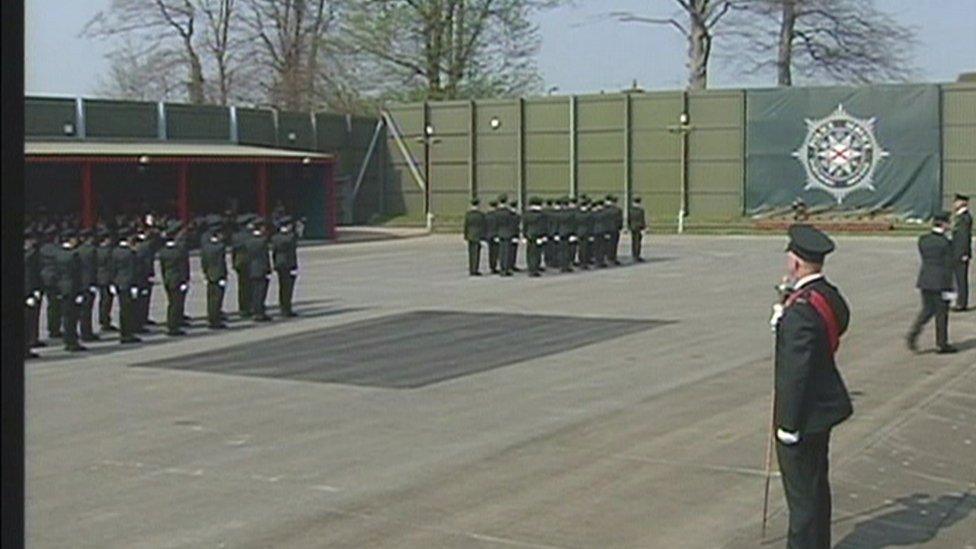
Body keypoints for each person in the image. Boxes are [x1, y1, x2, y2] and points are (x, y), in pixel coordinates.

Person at [772, 224, 852, 549]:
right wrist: (786, 315)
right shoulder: (827, 294)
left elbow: (795, 374)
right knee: (817, 486)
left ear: (795, 263)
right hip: (825, 407)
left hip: (803, 415)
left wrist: (787, 424)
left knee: (802, 498)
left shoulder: (801, 311)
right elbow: (840, 320)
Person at [907, 212, 958, 354]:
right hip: (941, 282)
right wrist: (951, 290)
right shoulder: (946, 243)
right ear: (943, 224)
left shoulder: (923, 239)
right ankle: (942, 344)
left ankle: (913, 334)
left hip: (925, 280)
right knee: (942, 314)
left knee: (927, 311)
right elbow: (949, 265)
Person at [55, 227, 86, 352]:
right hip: (73, 288)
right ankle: (72, 341)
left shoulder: (58, 254)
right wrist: (80, 291)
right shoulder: (74, 255)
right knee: (73, 316)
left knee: (66, 316)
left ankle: (67, 340)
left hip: (62, 288)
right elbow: (77, 274)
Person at [157, 221, 189, 336]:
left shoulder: (163, 252)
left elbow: (162, 268)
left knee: (171, 302)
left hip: (168, 279)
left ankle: (172, 324)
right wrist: (185, 280)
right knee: (176, 303)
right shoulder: (178, 251)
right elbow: (183, 267)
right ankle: (173, 326)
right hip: (177, 279)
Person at [112, 230, 141, 344]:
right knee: (129, 310)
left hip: (119, 283)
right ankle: (128, 334)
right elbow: (133, 270)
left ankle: (124, 332)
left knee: (123, 309)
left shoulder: (115, 252)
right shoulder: (130, 253)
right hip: (128, 283)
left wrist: (113, 283)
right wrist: (134, 285)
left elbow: (112, 268)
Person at [200, 217, 229, 329]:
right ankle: (215, 319)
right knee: (217, 298)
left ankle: (212, 316)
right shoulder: (220, 247)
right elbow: (221, 263)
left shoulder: (206, 246)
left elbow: (204, 262)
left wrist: (205, 272)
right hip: (218, 274)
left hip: (210, 274)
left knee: (211, 297)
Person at [271, 216, 299, 317]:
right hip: (288, 264)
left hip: (279, 263)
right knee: (288, 288)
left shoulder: (275, 237)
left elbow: (274, 253)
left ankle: (283, 307)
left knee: (282, 286)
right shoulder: (290, 237)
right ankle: (286, 308)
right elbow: (292, 253)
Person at [246, 218, 273, 321]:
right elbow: (264, 257)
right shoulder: (262, 241)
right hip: (261, 268)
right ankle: (260, 312)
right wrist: (268, 268)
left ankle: (255, 310)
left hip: (252, 268)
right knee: (261, 292)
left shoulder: (249, 240)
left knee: (254, 291)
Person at [76, 228, 100, 342]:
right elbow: (95, 267)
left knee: (82, 310)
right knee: (88, 309)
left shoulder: (77, 250)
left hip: (80, 281)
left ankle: (83, 331)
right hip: (90, 281)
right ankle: (87, 332)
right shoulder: (93, 251)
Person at [39, 225, 62, 340]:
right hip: (55, 279)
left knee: (51, 305)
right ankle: (55, 328)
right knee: (56, 305)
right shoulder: (57, 249)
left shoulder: (42, 249)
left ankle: (52, 327)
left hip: (45, 278)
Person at [951, 193, 971, 312]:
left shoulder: (964, 217)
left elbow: (964, 237)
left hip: (960, 253)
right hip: (956, 252)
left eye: (956, 202)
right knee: (957, 279)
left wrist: (964, 253)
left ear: (962, 203)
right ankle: (959, 300)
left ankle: (962, 303)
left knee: (961, 279)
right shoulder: (959, 216)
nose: (954, 204)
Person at [95, 227, 117, 332]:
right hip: (107, 278)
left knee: (103, 300)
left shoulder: (96, 250)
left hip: (99, 277)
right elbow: (111, 266)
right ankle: (105, 321)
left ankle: (103, 320)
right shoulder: (109, 251)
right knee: (107, 301)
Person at [24, 228, 42, 358]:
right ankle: (27, 345)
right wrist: (31, 292)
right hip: (27, 292)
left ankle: (31, 341)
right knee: (28, 319)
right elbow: (30, 276)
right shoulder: (30, 256)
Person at [231, 215, 253, 317]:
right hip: (249, 263)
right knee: (250, 286)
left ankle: (243, 307)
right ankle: (249, 307)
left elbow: (233, 252)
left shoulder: (236, 236)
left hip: (239, 263)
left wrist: (234, 263)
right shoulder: (249, 235)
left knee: (242, 287)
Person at [522, 197, 547, 277]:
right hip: (538, 235)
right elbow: (543, 226)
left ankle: (530, 268)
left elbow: (524, 226)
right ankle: (535, 268)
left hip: (529, 234)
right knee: (537, 253)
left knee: (529, 252)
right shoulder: (542, 215)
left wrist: (524, 235)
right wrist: (543, 236)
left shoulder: (526, 214)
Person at [463, 199, 486, 276]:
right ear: (478, 205)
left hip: (470, 236)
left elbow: (466, 226)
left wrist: (465, 236)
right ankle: (475, 269)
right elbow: (483, 226)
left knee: (471, 253)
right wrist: (483, 237)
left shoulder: (468, 215)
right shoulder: (481, 215)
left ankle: (471, 269)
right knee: (476, 254)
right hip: (478, 236)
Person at [496, 197, 517, 277]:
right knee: (507, 252)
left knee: (501, 252)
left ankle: (502, 268)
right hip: (508, 233)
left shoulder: (496, 212)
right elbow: (512, 224)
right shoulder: (509, 213)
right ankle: (506, 269)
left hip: (500, 233)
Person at [629, 196, 647, 262]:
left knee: (633, 241)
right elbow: (642, 220)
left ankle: (634, 254)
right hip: (638, 227)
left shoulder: (631, 210)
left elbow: (629, 219)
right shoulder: (640, 211)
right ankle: (637, 255)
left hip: (632, 227)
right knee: (638, 242)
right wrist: (643, 228)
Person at [485, 200, 501, 274]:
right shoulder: (497, 216)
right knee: (496, 252)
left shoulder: (486, 215)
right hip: (495, 235)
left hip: (488, 235)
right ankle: (494, 266)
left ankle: (491, 266)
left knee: (490, 252)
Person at [607, 194, 623, 266]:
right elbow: (620, 220)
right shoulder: (618, 210)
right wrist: (620, 227)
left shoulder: (606, 209)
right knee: (614, 244)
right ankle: (612, 258)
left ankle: (608, 257)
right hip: (615, 229)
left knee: (607, 244)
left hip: (607, 229)